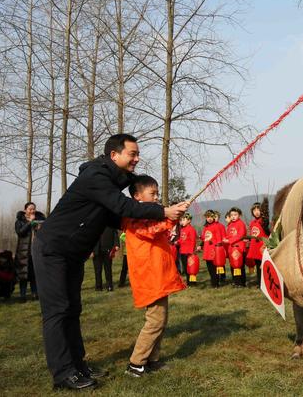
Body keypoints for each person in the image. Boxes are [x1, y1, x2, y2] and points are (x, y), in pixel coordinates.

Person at [31, 134, 188, 390]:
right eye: (132, 154)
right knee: (57, 312)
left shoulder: (110, 182)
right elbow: (123, 207)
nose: (137, 159)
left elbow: (122, 217)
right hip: (53, 249)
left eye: (137, 154)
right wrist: (163, 211)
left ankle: (78, 365)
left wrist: (162, 220)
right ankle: (62, 374)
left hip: (72, 253)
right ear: (114, 155)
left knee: (72, 309)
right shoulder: (95, 177)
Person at [123, 175, 186, 377]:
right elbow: (150, 231)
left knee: (161, 319)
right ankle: (136, 363)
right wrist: (170, 218)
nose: (157, 197)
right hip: (149, 276)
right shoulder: (133, 217)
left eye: (158, 193)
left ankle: (152, 359)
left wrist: (172, 220)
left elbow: (159, 232)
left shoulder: (149, 216)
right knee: (155, 321)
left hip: (159, 275)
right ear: (137, 196)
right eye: (153, 193)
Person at [14, 202, 45, 301]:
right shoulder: (19, 221)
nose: (32, 211)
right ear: (25, 210)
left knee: (34, 273)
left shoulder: (40, 219)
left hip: (36, 250)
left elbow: (46, 232)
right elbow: (20, 232)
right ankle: (22, 295)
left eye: (34, 209)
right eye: (30, 209)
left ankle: (35, 294)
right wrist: (29, 222)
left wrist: (40, 228)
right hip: (23, 251)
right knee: (23, 274)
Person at [223, 207, 247, 287]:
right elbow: (229, 235)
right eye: (231, 215)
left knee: (240, 266)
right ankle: (236, 282)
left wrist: (229, 241)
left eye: (235, 215)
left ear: (239, 215)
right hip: (231, 248)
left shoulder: (241, 224)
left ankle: (241, 282)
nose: (233, 217)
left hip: (239, 248)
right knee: (233, 266)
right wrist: (225, 238)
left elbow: (240, 236)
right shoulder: (230, 225)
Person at [247, 201, 269, 286]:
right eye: (254, 210)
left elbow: (268, 233)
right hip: (255, 248)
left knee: (264, 265)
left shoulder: (264, 221)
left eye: (258, 209)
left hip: (262, 247)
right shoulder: (252, 223)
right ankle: (260, 282)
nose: (256, 212)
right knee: (258, 265)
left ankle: (266, 283)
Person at [201, 210, 223, 288]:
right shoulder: (205, 227)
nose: (209, 218)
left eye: (211, 216)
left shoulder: (216, 226)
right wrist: (201, 244)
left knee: (214, 268)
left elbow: (219, 239)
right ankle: (213, 282)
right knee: (210, 268)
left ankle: (216, 283)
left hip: (214, 250)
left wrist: (218, 248)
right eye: (207, 217)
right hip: (207, 250)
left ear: (213, 217)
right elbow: (203, 238)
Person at [92, 227, 119, 291]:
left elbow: (115, 233)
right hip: (96, 250)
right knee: (97, 270)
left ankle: (109, 286)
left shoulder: (110, 222)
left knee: (108, 269)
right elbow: (89, 237)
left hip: (108, 249)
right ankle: (98, 287)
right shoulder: (94, 223)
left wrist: (116, 244)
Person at [176, 213, 198, 285]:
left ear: (189, 220)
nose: (182, 221)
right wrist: (177, 242)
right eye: (181, 220)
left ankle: (193, 282)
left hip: (189, 252)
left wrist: (192, 251)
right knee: (186, 268)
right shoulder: (182, 229)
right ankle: (189, 282)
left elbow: (193, 241)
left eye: (184, 220)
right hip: (182, 251)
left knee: (191, 267)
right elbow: (181, 239)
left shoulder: (191, 229)